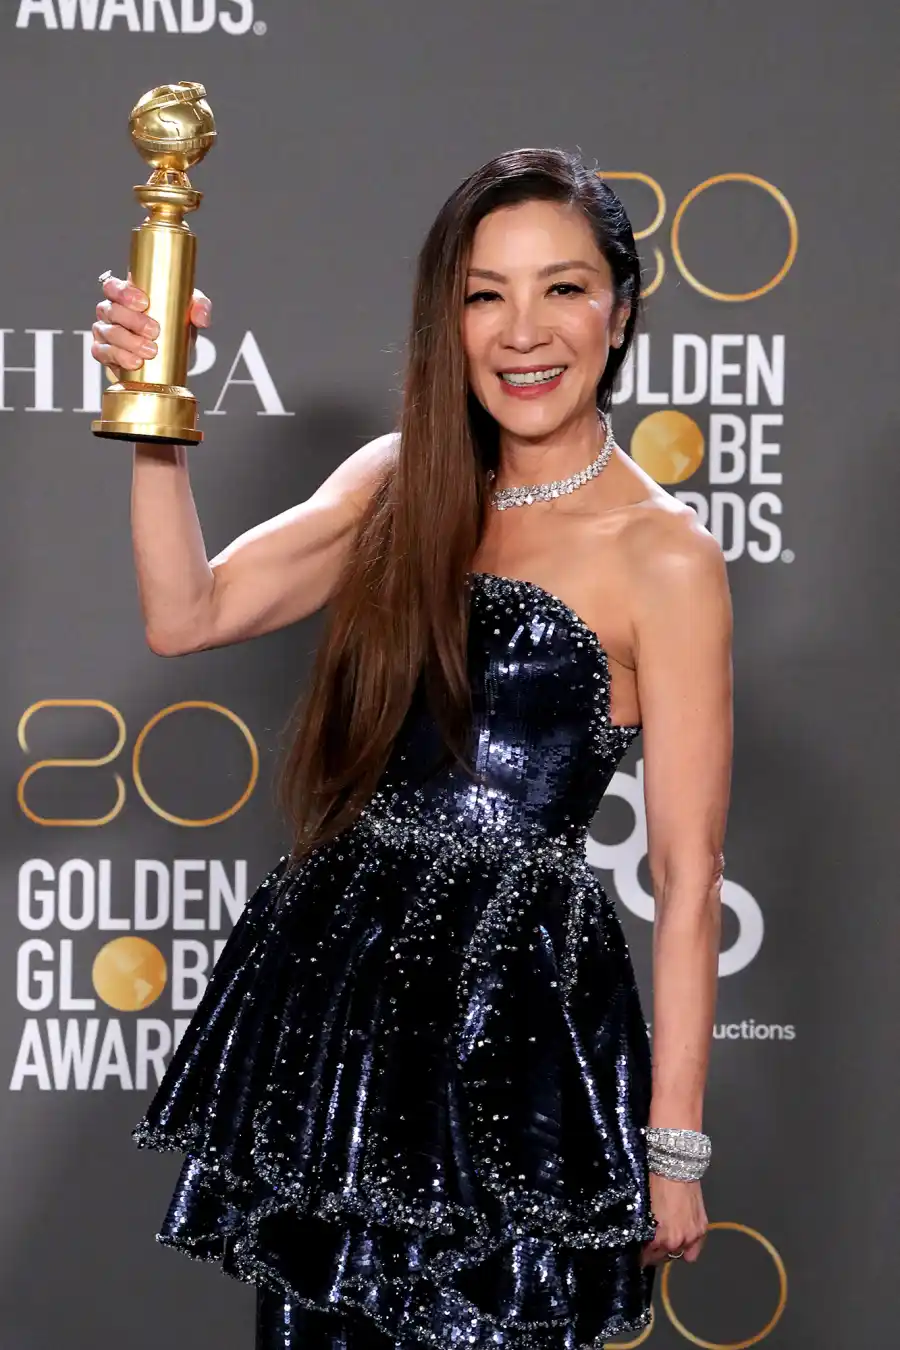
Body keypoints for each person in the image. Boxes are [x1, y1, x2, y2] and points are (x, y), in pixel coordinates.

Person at [91, 148, 732, 1350]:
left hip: (515, 1025)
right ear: (450, 314)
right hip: (344, 1006)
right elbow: (189, 614)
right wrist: (156, 411)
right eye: (486, 293)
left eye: (562, 289)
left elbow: (690, 878)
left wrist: (675, 1145)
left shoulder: (667, 556)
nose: (523, 331)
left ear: (620, 308)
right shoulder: (402, 482)